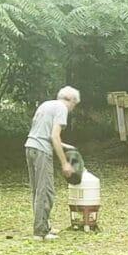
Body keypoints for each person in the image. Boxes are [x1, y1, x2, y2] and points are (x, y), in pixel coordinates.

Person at [24, 86, 80, 241]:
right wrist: (65, 163)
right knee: (46, 190)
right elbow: (54, 136)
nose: (72, 109)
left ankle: (44, 225)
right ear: (71, 100)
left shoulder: (46, 105)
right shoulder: (62, 108)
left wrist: (66, 146)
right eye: (74, 105)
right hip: (42, 151)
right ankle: (40, 232)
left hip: (30, 147)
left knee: (37, 190)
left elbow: (44, 133)